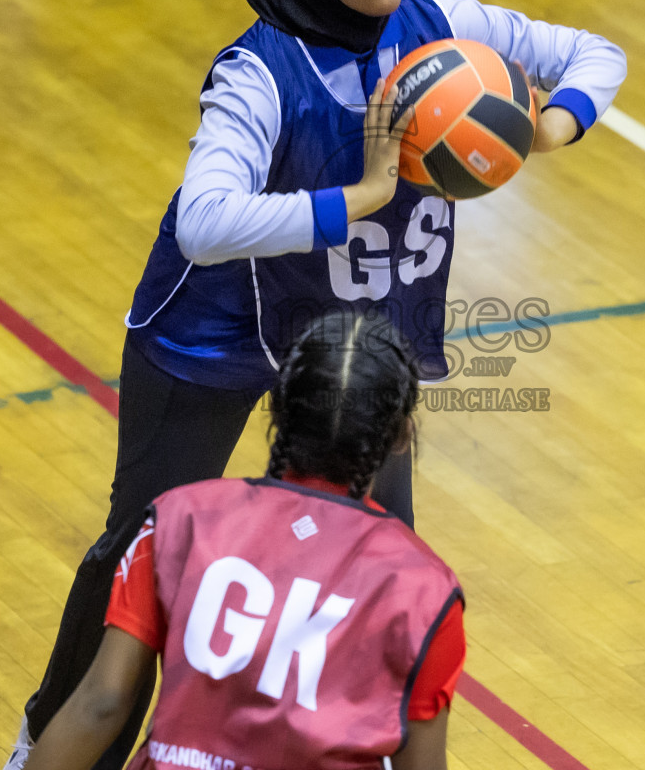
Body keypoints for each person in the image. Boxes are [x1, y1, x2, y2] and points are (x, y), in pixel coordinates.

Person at [7, 0, 625, 769]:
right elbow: (207, 222)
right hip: (213, 335)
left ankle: (355, 747)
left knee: (384, 557)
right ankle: (49, 743)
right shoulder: (257, 75)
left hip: (346, 341)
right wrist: (366, 193)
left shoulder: (440, 25)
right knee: (137, 552)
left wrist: (544, 125)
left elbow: (593, 53)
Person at [24, 311, 464, 770]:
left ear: (278, 412)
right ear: (401, 437)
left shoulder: (180, 519)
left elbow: (101, 703)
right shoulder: (425, 589)